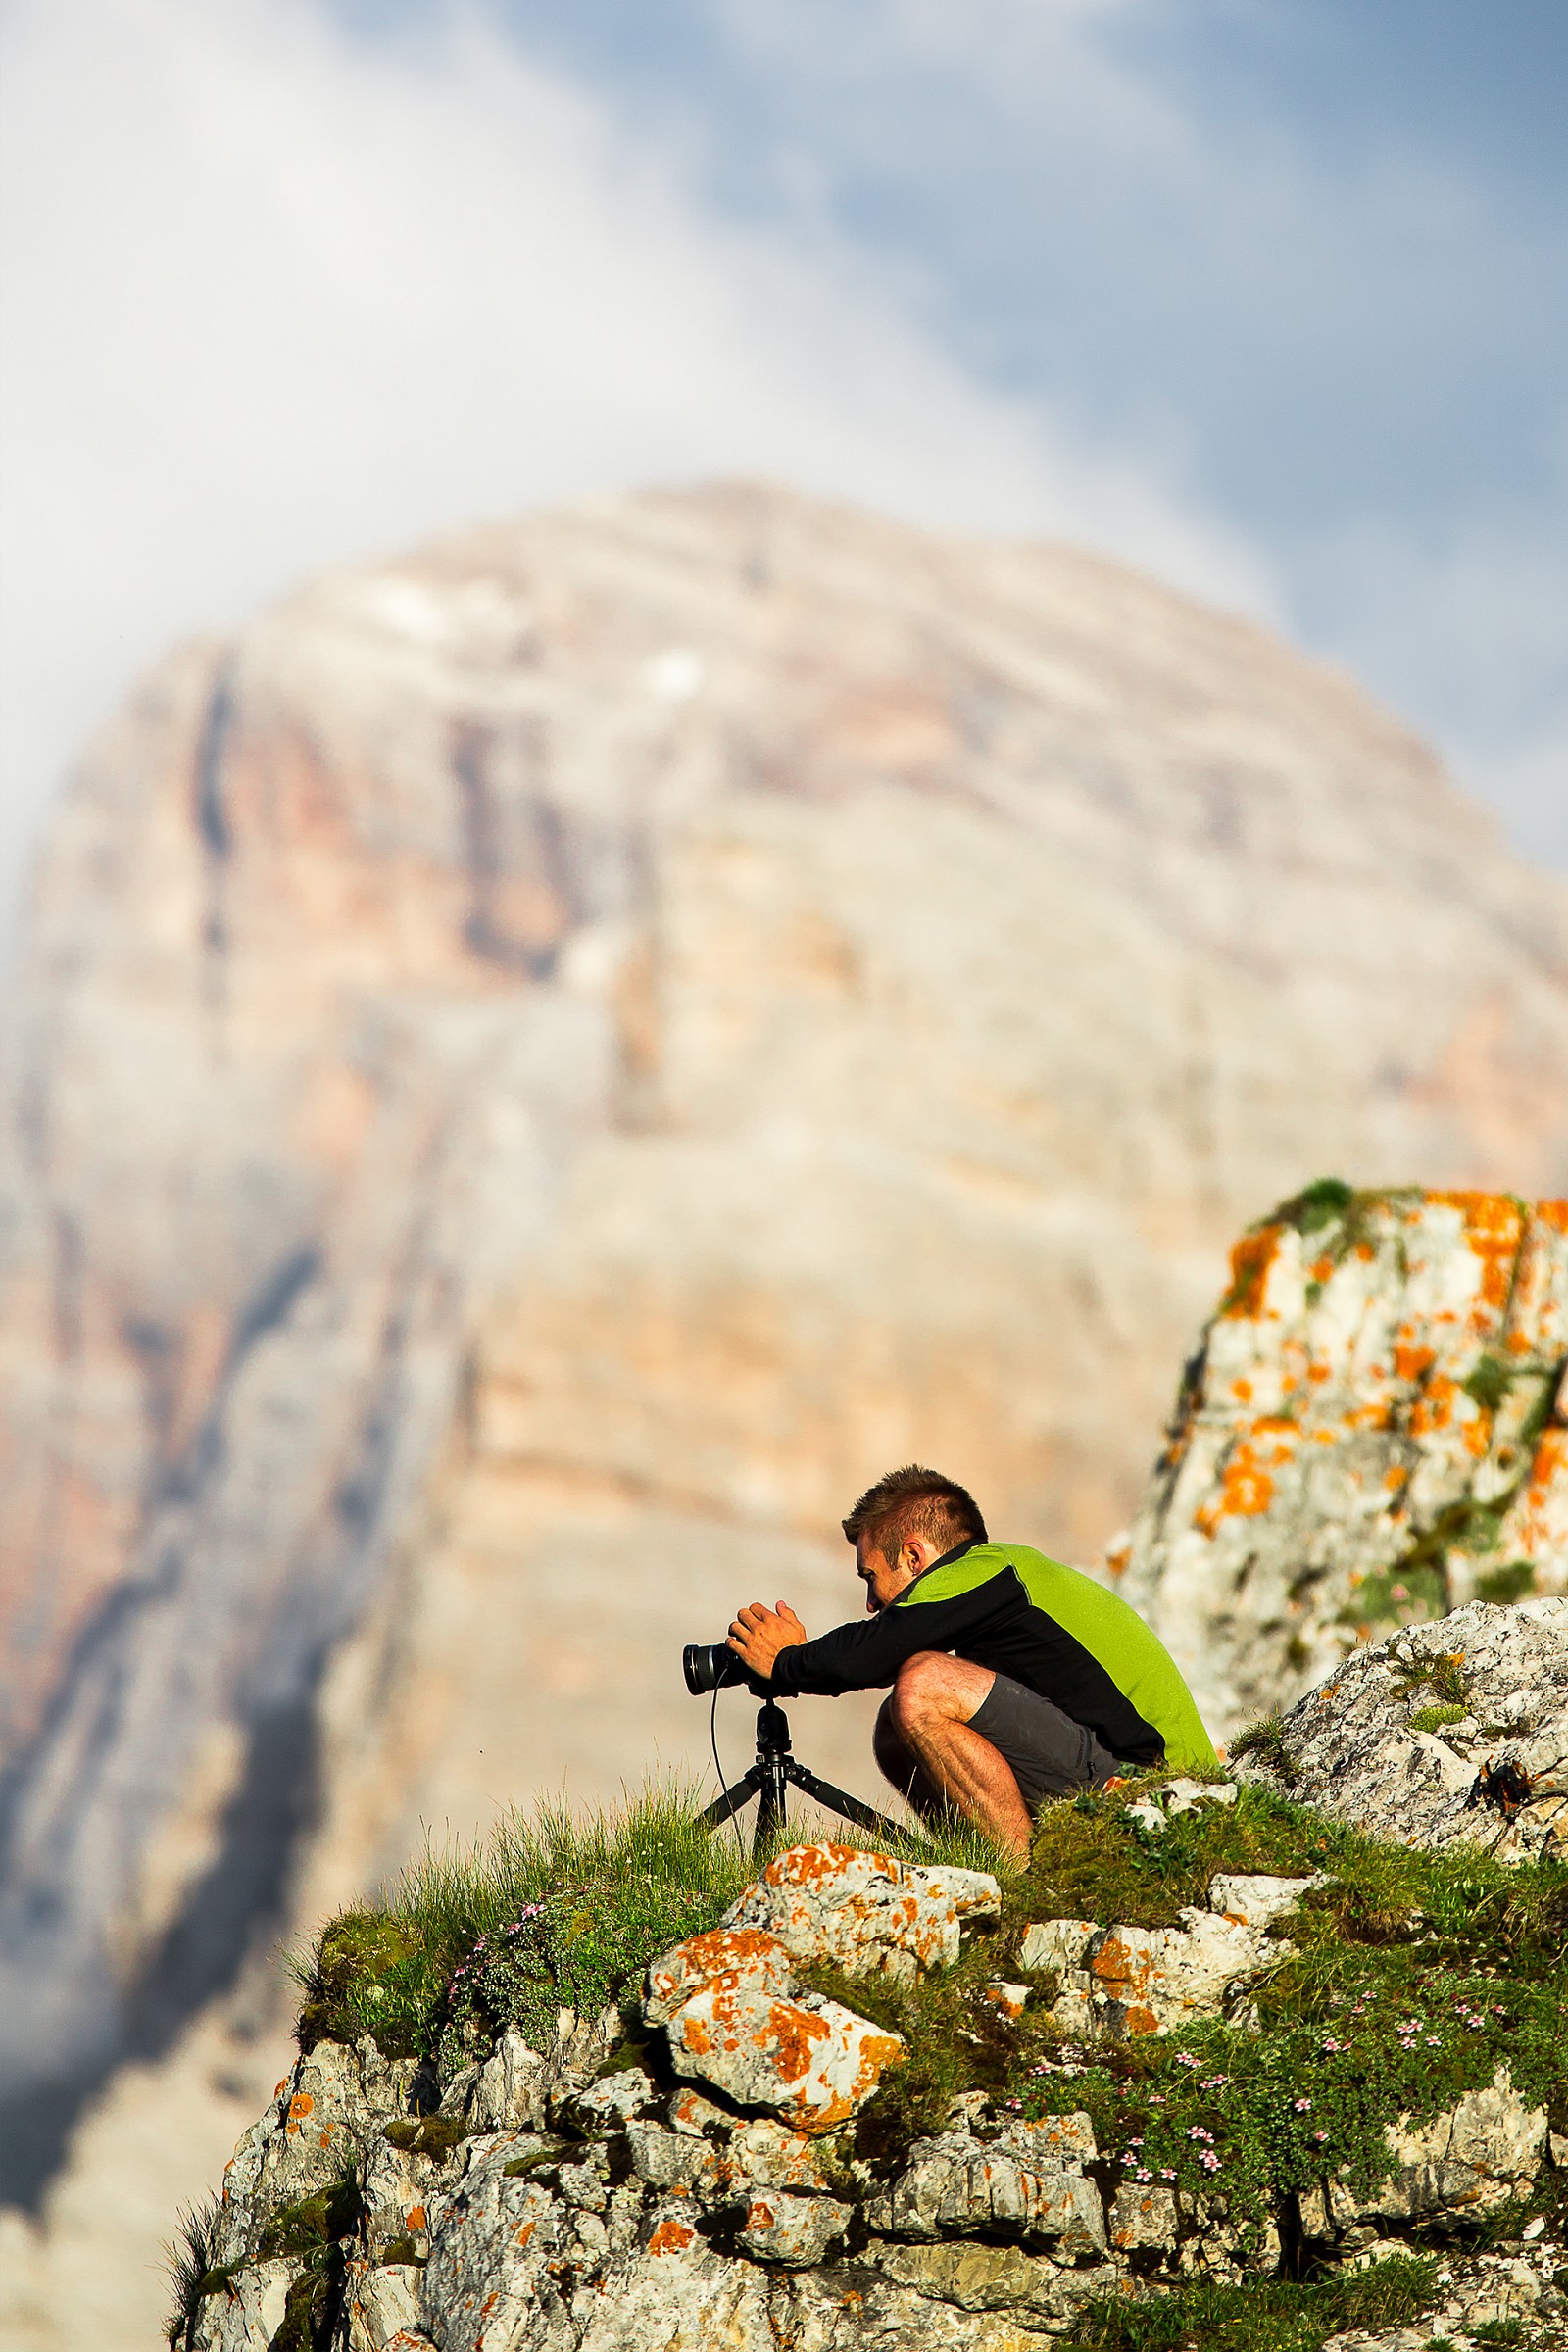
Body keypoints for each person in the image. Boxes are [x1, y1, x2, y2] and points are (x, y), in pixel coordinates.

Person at [725, 1463, 1217, 1862]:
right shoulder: (1001, 1582)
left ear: (916, 1557)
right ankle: (986, 1862)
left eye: (871, 1576)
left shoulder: (984, 1570)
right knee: (894, 1727)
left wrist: (788, 1661)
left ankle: (1023, 1881)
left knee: (923, 1685)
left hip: (1158, 1788)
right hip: (1106, 1764)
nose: (871, 1602)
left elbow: (872, 1652)